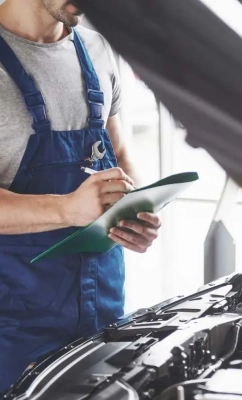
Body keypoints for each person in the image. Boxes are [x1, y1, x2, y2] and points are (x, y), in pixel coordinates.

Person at [0, 0, 162, 392]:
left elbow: (119, 154)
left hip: (104, 317)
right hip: (13, 329)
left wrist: (135, 209)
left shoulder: (97, 49)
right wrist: (68, 209)